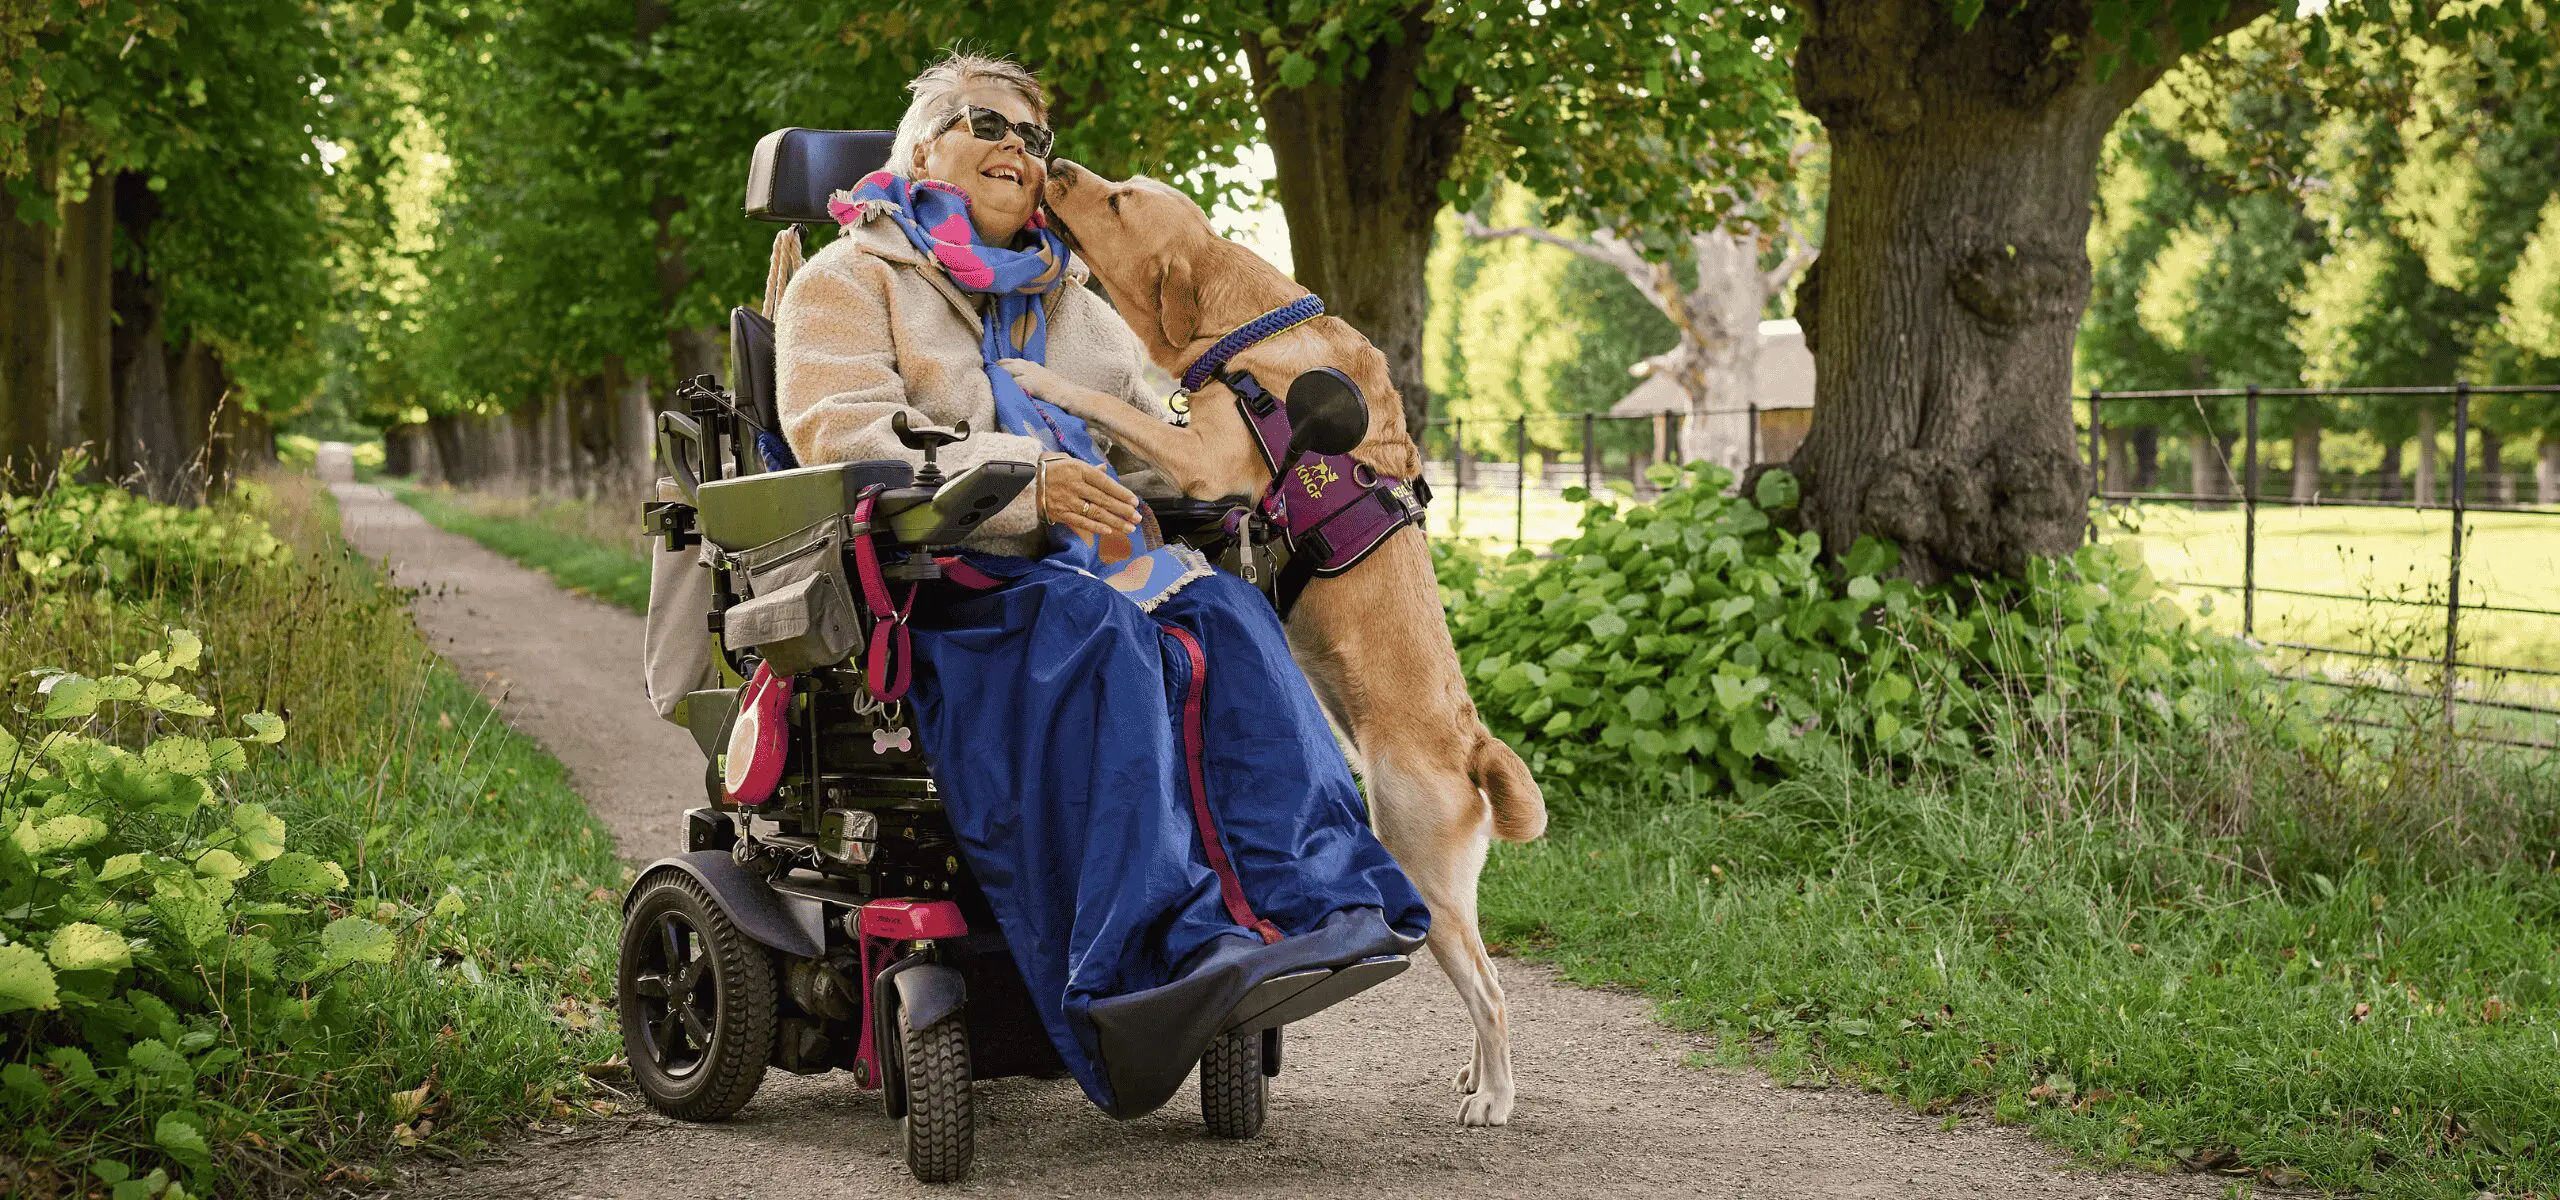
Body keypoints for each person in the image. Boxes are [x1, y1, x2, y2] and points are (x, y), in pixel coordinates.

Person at [770, 52, 1428, 1119]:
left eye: (1032, 138)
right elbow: (843, 438)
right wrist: (1031, 483)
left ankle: (1317, 903)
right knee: (1102, 633)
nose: (1016, 151)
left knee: (1223, 612)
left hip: (1086, 573)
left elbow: (1158, 415)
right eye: (986, 123)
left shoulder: (1073, 301)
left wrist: (1232, 430)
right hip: (939, 586)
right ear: (924, 147)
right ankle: (1152, 952)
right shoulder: (847, 281)